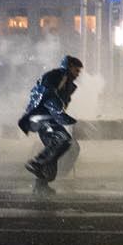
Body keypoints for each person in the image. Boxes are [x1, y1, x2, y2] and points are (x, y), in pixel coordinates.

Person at [18, 55, 83, 193]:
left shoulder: (67, 83)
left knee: (55, 150)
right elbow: (49, 98)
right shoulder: (55, 76)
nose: (78, 74)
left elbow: (61, 102)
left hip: (47, 117)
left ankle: (41, 185)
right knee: (63, 139)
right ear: (69, 67)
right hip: (40, 115)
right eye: (76, 70)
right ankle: (36, 162)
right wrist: (63, 117)